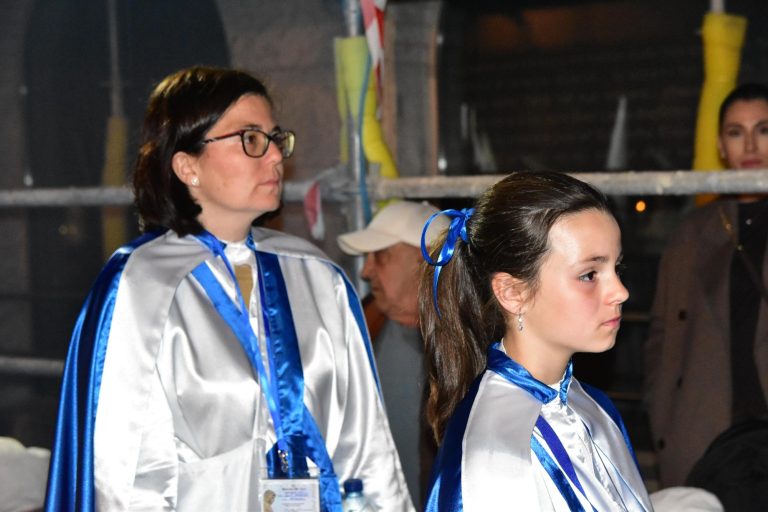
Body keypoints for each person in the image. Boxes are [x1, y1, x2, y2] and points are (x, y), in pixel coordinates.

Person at [44, 66, 413, 512]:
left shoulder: (317, 276)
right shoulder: (141, 285)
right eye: (250, 139)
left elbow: (366, 448)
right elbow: (123, 476)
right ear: (187, 166)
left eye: (275, 139)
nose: (275, 156)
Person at [421, 171, 652, 510]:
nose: (620, 292)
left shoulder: (592, 405)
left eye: (617, 268)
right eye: (589, 275)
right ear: (513, 293)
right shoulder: (497, 457)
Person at [645, 83, 768, 500]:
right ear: (720, 145)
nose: (749, 145)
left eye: (763, 130)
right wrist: (663, 416)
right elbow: (662, 335)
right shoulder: (692, 232)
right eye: (736, 132)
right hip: (707, 438)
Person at [337, 200, 448, 507]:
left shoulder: (474, 345)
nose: (366, 271)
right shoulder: (359, 323)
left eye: (380, 256)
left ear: (423, 261)